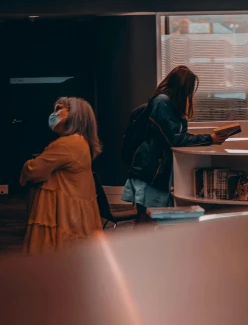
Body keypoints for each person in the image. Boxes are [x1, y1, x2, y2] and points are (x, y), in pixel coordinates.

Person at [122, 65, 229, 220]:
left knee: (149, 220)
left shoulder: (168, 104)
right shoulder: (162, 102)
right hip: (150, 171)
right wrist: (209, 139)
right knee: (146, 221)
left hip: (153, 170)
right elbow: (176, 139)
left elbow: (177, 136)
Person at [20, 97, 102, 254]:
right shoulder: (82, 142)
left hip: (60, 214)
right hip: (75, 213)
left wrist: (27, 164)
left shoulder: (67, 144)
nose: (54, 114)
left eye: (59, 109)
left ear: (74, 115)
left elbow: (34, 170)